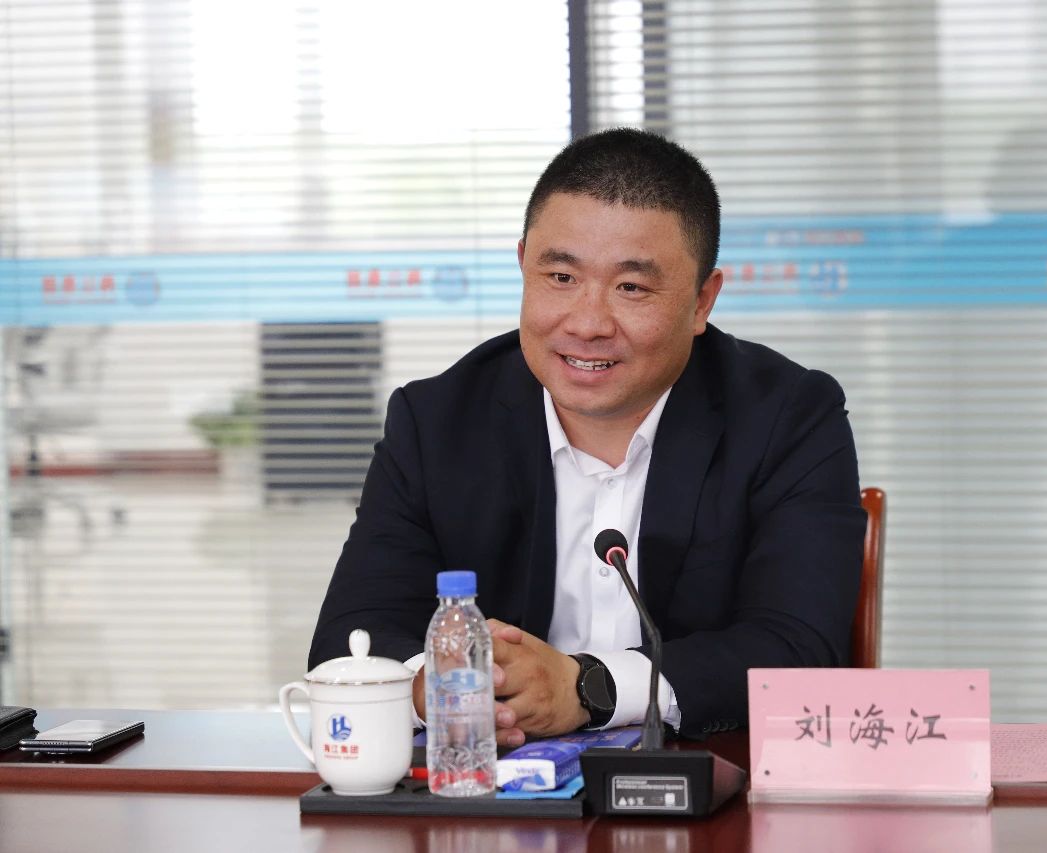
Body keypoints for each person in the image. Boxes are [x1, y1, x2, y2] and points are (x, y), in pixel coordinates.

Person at [309, 128, 865, 746]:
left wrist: (585, 687)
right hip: (493, 788)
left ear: (702, 301)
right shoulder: (436, 422)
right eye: (560, 276)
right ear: (523, 265)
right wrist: (442, 685)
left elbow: (798, 648)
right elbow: (352, 638)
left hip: (707, 781)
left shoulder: (788, 417)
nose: (588, 323)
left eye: (632, 287)